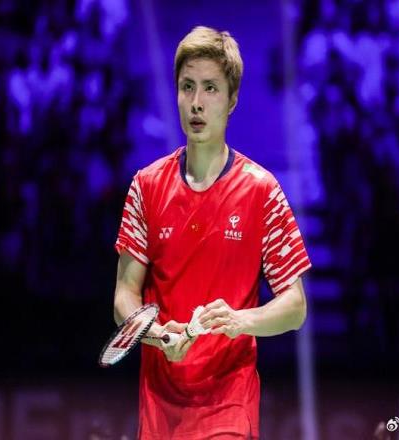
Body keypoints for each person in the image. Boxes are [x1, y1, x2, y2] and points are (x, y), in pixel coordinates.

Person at [113, 26, 311, 440]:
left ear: (232, 99)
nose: (197, 103)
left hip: (229, 404)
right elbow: (124, 297)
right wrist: (156, 334)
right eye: (187, 87)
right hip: (160, 407)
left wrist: (240, 320)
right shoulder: (146, 186)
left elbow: (295, 307)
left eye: (210, 88)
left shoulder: (262, 191)